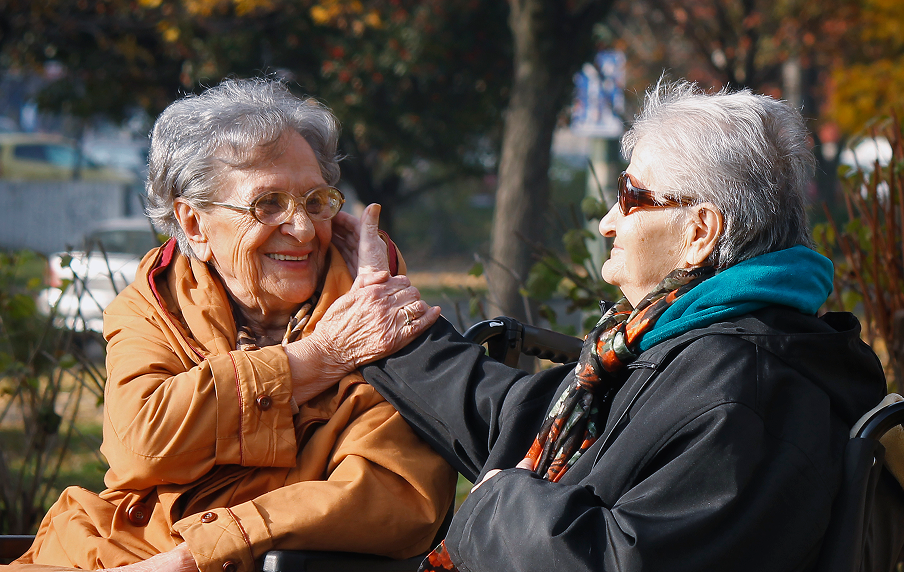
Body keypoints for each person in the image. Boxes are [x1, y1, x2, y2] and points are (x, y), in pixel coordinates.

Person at [356, 81, 889, 571]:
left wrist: (495, 507)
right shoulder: (687, 345)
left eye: (631, 196)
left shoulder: (743, 391)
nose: (608, 220)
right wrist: (396, 331)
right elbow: (529, 423)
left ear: (700, 232)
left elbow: (619, 562)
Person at [12, 78, 454, 572]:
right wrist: (320, 357)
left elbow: (395, 494)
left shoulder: (377, 316)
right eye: (268, 204)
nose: (304, 228)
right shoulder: (152, 303)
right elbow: (142, 444)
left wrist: (197, 554)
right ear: (195, 225)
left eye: (314, 201)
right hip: (103, 549)